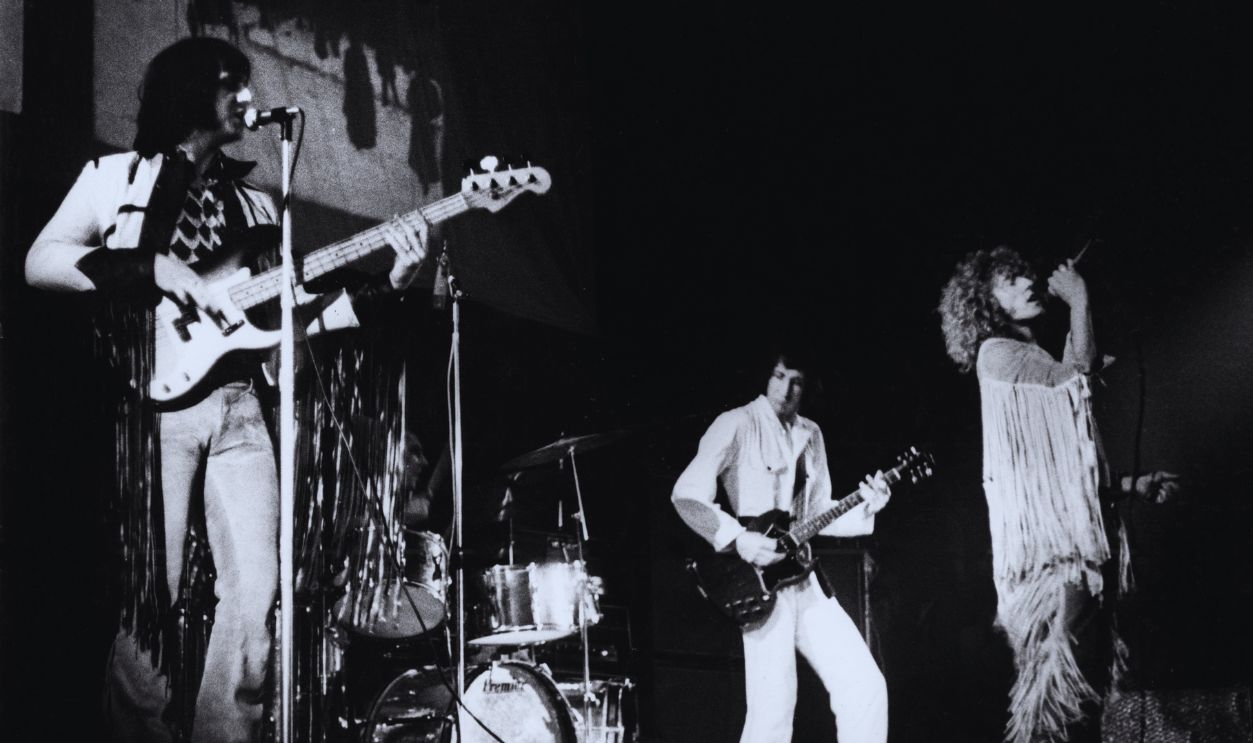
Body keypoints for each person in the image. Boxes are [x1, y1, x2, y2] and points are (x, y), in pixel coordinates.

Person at [25, 37, 427, 743]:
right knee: (153, 599)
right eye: (229, 84)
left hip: (242, 406)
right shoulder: (114, 178)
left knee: (254, 594)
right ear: (188, 93)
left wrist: (383, 287)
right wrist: (152, 267)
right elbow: (41, 262)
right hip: (154, 406)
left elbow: (293, 319)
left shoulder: (259, 207)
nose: (247, 97)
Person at [938, 247, 1179, 743]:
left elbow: (1062, 468)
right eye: (1010, 280)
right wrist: (1079, 300)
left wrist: (1132, 485)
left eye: (1026, 274)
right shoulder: (998, 353)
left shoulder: (1030, 358)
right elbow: (1079, 378)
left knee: (1079, 692)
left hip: (1066, 554)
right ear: (984, 302)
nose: (1027, 283)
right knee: (1058, 695)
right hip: (1050, 562)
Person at [671, 351, 892, 743]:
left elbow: (819, 513)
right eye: (778, 375)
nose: (785, 389)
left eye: (797, 380)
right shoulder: (737, 423)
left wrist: (867, 506)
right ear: (766, 375)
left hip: (804, 578)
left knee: (865, 685)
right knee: (773, 710)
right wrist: (739, 539)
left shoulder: (812, 434)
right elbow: (687, 494)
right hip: (758, 582)